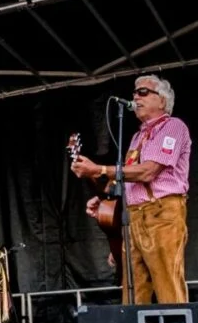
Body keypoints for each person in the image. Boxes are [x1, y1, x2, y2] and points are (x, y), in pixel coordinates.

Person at [71, 74, 191, 305]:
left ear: (162, 101)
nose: (135, 96)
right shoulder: (137, 137)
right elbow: (125, 179)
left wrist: (99, 169)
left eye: (143, 92)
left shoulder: (173, 126)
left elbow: (148, 172)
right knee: (133, 290)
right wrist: (104, 199)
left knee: (168, 284)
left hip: (162, 213)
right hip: (133, 217)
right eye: (134, 92)